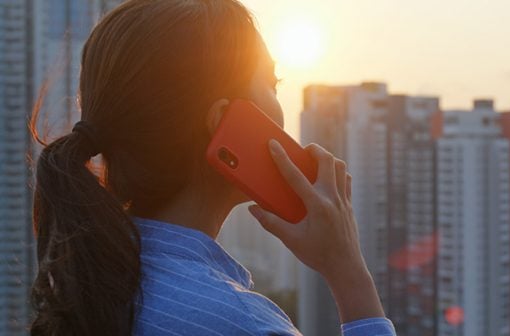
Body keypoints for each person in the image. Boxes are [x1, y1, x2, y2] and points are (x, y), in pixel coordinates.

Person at [29, 1, 396, 335]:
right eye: (271, 84)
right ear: (223, 121)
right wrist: (350, 274)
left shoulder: (87, 286)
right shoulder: (241, 323)